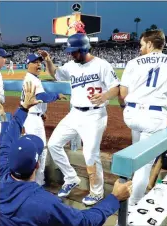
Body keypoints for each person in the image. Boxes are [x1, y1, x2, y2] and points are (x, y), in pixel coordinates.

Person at [0, 81, 132, 226]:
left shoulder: (1, 168)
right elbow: (84, 222)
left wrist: (23, 108)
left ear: (9, 158)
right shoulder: (44, 203)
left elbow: (8, 138)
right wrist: (114, 198)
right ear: (36, 165)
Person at [38, 33, 120, 206]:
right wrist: (48, 60)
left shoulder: (101, 65)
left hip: (95, 115)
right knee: (53, 144)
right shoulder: (71, 65)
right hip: (75, 113)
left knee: (90, 154)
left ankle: (96, 193)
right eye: (70, 52)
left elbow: (116, 87)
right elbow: (56, 74)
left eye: (74, 51)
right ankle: (71, 178)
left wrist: (105, 95)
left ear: (84, 49)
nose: (71, 54)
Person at [118, 29, 167, 206]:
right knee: (144, 164)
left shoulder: (133, 62)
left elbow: (122, 93)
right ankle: (133, 205)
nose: (140, 48)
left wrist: (126, 107)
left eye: (142, 44)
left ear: (150, 44)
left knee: (137, 153)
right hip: (154, 116)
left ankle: (129, 195)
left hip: (132, 115)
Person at [21, 53, 66, 185]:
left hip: (33, 117)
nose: (38, 64)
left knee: (37, 150)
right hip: (33, 120)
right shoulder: (32, 79)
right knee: (40, 151)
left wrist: (42, 112)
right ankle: (37, 183)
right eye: (35, 62)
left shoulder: (31, 78)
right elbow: (42, 96)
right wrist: (57, 95)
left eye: (39, 62)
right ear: (28, 64)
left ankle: (34, 182)